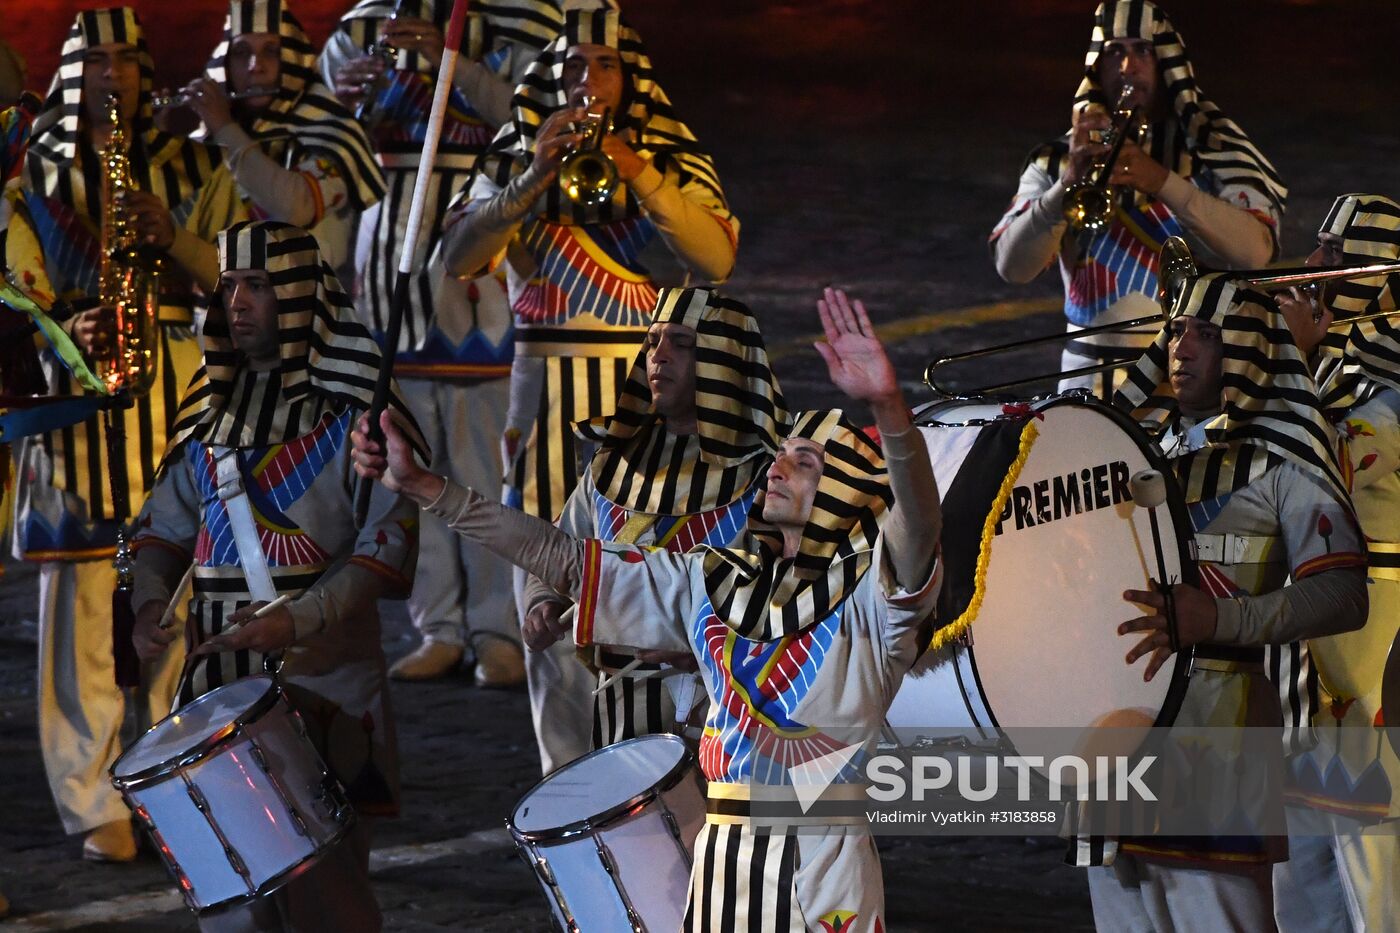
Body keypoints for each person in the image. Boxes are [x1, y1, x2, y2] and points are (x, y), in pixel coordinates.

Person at [353, 288, 942, 931]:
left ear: (845, 494)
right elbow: (568, 557)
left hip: (821, 867)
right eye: (782, 455)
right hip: (723, 863)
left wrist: (887, 407)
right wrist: (427, 489)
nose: (779, 468)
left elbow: (918, 526)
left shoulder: (872, 604)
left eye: (805, 463)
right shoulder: (709, 581)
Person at [129, 220, 424, 933]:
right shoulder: (206, 410)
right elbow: (163, 527)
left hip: (322, 680)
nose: (237, 301)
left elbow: (387, 540)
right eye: (229, 284)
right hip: (213, 685)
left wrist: (300, 617)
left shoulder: (358, 412)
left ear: (297, 297)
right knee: (229, 903)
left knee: (331, 903)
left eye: (257, 285)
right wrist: (144, 604)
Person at [439, 7, 739, 700]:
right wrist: (530, 180)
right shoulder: (516, 154)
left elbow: (716, 257)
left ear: (629, 76)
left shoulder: (669, 153)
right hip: (541, 395)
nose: (589, 78)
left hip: (646, 389)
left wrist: (637, 168)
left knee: (641, 570)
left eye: (605, 64)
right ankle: (567, 771)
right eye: (575, 65)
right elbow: (458, 258)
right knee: (542, 577)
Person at [1087, 273, 1370, 929]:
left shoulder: (1286, 453)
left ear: (1245, 348)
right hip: (1111, 745)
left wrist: (1219, 617)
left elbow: (1341, 591)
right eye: (1177, 329)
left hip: (1220, 740)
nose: (1181, 348)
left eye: (1206, 334)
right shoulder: (1126, 448)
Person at [6, 7, 223, 864]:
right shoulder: (28, 172)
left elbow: (236, 271)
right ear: (69, 73)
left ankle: (169, 776)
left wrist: (179, 238)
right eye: (94, 60)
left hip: (172, 403)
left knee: (173, 610)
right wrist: (64, 324)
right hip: (76, 407)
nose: (112, 76)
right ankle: (89, 795)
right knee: (82, 621)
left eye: (125, 61)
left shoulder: (183, 161)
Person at [319, 0, 566, 685]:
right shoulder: (357, 28)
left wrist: (447, 61)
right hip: (386, 264)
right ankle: (438, 624)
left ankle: (498, 625)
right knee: (404, 461)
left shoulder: (524, 25)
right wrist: (341, 111)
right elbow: (322, 144)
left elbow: (533, 121)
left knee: (485, 466)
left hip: (472, 271)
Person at [518, 286, 787, 772]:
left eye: (682, 344)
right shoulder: (614, 463)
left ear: (724, 363)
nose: (658, 356)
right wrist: (544, 600)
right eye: (654, 341)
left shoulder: (771, 475)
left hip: (721, 716)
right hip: (612, 707)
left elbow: (792, 602)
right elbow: (562, 550)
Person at [990, 0, 1285, 399]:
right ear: (1098, 65)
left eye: (1142, 51)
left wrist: (1163, 182)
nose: (1128, 68)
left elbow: (1254, 253)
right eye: (1114, 52)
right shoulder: (1058, 158)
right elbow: (1012, 269)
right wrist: (1064, 189)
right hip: (1084, 378)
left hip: (1185, 376)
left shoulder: (1211, 148)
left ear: (1167, 61)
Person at [1272, 192, 1400, 933]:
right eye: (1318, 245)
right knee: (1302, 873)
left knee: (1369, 867)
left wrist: (1300, 357)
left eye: (1334, 253)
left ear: (1379, 280)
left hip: (1369, 651)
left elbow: (1327, 464)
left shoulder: (1391, 384)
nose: (1314, 262)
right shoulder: (1337, 369)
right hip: (1306, 655)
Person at [160, 0, 386, 281]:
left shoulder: (330, 132)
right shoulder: (207, 141)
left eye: (271, 51)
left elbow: (295, 208)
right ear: (226, 63)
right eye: (242, 53)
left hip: (300, 312)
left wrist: (225, 128)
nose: (256, 66)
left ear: (290, 57)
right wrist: (158, 144)